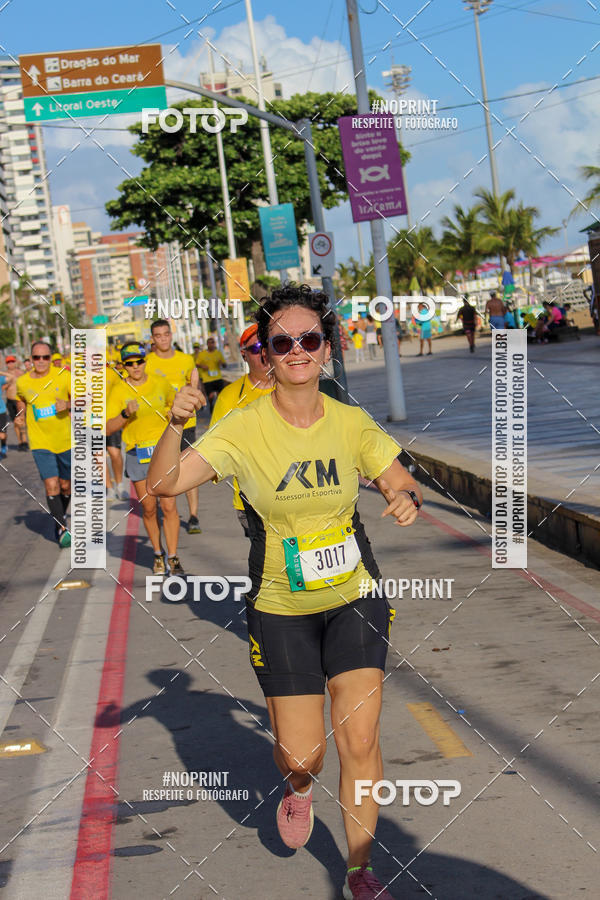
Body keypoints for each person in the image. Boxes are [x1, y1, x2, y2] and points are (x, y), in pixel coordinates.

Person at [148, 284, 423, 900]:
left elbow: (400, 478)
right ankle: (298, 789)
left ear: (327, 348)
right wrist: (175, 424)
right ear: (265, 354)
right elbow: (162, 485)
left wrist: (405, 497)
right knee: (303, 757)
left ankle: (359, 869)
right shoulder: (243, 427)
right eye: (282, 342)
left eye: (309, 338)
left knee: (360, 739)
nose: (297, 350)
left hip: (354, 597)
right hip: (280, 608)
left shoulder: (350, 421)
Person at [106, 342, 193, 575]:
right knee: (149, 508)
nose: (135, 367)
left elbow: (174, 405)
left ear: (145, 361)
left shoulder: (159, 382)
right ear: (124, 366)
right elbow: (107, 428)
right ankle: (157, 553)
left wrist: (172, 412)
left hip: (162, 451)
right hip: (137, 453)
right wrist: (125, 414)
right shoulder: (118, 391)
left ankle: (173, 557)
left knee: (169, 506)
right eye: (129, 363)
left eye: (139, 361)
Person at [209, 323, 273, 536]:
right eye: (255, 348)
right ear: (244, 355)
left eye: (267, 345)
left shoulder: (294, 386)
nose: (263, 353)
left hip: (303, 495)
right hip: (252, 502)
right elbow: (214, 452)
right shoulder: (230, 397)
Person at [146, 318, 202, 534]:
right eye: (158, 336)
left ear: (171, 335)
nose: (163, 339)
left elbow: (194, 386)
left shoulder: (186, 359)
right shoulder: (147, 363)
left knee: (189, 467)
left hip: (187, 421)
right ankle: (170, 511)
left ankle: (194, 515)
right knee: (167, 469)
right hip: (161, 425)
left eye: (166, 334)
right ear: (153, 339)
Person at [16, 341, 72, 547]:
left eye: (45, 357)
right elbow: (21, 399)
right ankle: (62, 528)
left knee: (65, 485)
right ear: (31, 359)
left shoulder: (63, 376)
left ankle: (60, 515)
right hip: (40, 441)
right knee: (51, 484)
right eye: (36, 357)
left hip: (65, 440)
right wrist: (20, 414)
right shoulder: (23, 382)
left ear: (50, 358)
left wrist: (68, 404)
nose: (41, 361)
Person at [105, 361, 128, 501]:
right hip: (90, 421)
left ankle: (120, 485)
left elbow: (122, 391)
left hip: (110, 419)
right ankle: (109, 488)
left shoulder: (112, 374)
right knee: (99, 456)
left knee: (115, 454)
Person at [0, 355, 28, 449]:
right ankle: (20, 442)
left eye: (12, 362)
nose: (11, 364)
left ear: (15, 362)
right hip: (10, 400)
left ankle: (25, 441)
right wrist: (6, 386)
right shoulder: (4, 375)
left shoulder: (20, 373)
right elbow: (2, 389)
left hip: (20, 400)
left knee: (22, 419)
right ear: (6, 364)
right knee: (15, 421)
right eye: (8, 362)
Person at [194, 336, 227, 412]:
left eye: (213, 343)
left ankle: (220, 407)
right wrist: (202, 366)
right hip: (207, 378)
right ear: (207, 344)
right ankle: (211, 404)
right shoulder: (202, 354)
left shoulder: (218, 353)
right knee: (211, 396)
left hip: (218, 377)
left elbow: (225, 365)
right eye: (210, 343)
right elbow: (197, 364)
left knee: (221, 394)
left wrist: (222, 363)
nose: (211, 344)